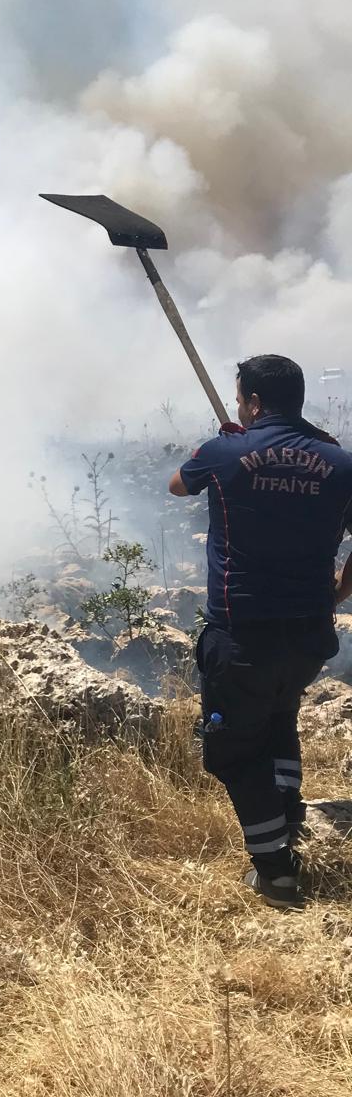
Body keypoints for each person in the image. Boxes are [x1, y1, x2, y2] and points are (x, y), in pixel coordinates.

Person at [169, 355, 352, 908]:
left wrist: (230, 440)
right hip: (307, 636)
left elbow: (179, 485)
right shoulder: (341, 463)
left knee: (232, 753)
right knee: (279, 718)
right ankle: (288, 817)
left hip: (242, 635)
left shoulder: (224, 451)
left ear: (249, 401)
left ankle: (276, 874)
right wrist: (337, 595)